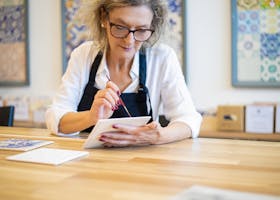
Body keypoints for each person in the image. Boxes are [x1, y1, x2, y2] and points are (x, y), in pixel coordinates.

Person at [46, 0, 202, 147]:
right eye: (120, 27)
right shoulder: (84, 55)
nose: (129, 41)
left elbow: (189, 119)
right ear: (104, 18)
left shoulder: (162, 58)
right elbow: (56, 118)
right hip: (88, 162)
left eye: (141, 30)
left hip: (141, 163)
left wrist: (158, 136)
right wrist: (91, 117)